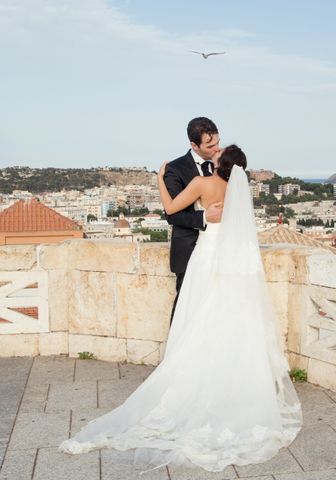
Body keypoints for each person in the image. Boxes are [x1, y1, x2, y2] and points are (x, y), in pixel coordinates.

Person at [59, 146, 303, 473]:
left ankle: (195, 383)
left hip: (206, 258)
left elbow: (171, 208)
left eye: (217, 154)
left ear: (219, 164)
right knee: (227, 322)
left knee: (197, 317)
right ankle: (227, 384)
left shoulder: (204, 184)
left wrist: (161, 179)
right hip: (230, 264)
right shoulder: (238, 191)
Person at [164, 117, 224, 322]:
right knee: (184, 308)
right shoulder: (176, 169)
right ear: (194, 145)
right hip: (188, 249)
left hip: (219, 249)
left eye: (217, 142)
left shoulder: (224, 164)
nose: (217, 148)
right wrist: (205, 217)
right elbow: (171, 214)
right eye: (210, 145)